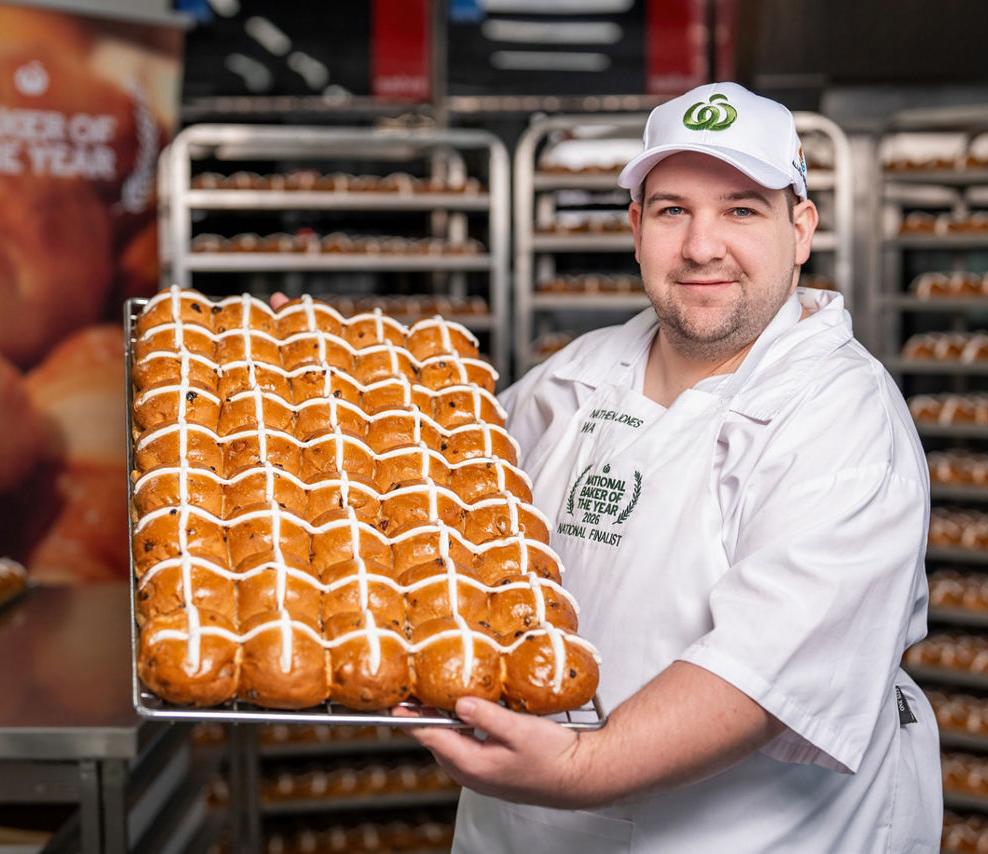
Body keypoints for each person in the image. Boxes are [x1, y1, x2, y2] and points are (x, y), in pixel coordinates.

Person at [404, 82, 944, 853]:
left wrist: (581, 766)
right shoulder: (575, 379)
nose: (700, 246)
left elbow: (767, 674)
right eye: (672, 210)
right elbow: (444, 513)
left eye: (741, 209)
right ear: (635, 228)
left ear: (801, 229)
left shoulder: (842, 417)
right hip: (524, 830)